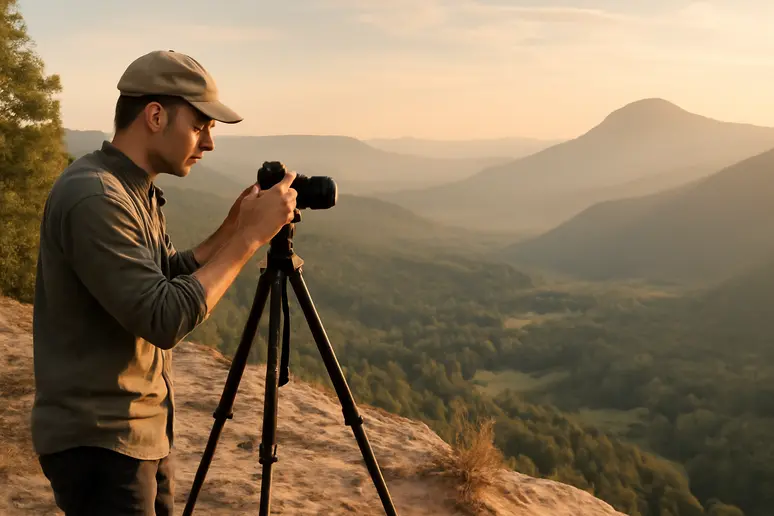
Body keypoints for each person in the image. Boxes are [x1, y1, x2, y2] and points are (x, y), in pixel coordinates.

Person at [30, 49, 297, 515]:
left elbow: (161, 278)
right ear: (155, 116)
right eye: (200, 126)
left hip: (138, 434)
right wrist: (249, 239)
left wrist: (232, 229)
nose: (208, 143)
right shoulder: (94, 195)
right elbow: (162, 316)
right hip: (101, 443)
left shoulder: (132, 188)